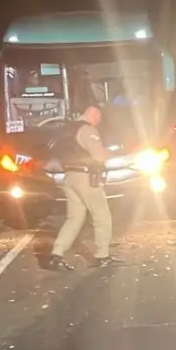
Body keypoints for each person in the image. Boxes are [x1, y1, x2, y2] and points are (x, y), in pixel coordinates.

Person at [45, 105, 121, 270]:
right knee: (102, 215)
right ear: (94, 114)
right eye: (98, 117)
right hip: (85, 178)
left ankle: (56, 254)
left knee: (74, 218)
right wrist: (111, 154)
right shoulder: (87, 130)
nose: (99, 121)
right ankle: (102, 255)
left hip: (69, 177)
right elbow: (99, 156)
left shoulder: (68, 130)